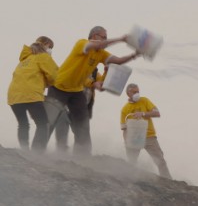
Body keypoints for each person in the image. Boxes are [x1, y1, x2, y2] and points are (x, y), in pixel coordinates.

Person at [47, 26, 140, 156]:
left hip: (76, 91)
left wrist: (135, 55)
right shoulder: (82, 43)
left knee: (83, 125)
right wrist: (121, 39)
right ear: (94, 36)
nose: (106, 40)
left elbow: (118, 61)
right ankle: (37, 151)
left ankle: (83, 157)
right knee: (49, 121)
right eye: (104, 37)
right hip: (58, 87)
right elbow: (99, 45)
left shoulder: (101, 54)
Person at [7, 36, 58, 153]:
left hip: (14, 96)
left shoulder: (24, 60)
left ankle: (24, 150)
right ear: (45, 44)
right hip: (31, 95)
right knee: (42, 123)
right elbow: (55, 75)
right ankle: (37, 152)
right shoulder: (43, 57)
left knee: (23, 124)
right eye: (50, 47)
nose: (50, 50)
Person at [120, 83, 172, 179]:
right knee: (132, 162)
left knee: (160, 161)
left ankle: (168, 180)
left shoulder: (144, 101)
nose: (137, 94)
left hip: (149, 137)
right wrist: (126, 142)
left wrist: (143, 113)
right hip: (134, 138)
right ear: (128, 93)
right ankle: (131, 179)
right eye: (134, 92)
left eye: (138, 91)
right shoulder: (125, 109)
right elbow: (124, 129)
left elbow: (157, 113)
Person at [54, 66, 107, 153]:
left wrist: (106, 72)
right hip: (68, 106)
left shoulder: (94, 73)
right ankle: (60, 152)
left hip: (83, 109)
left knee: (82, 134)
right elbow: (81, 79)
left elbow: (102, 83)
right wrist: (92, 83)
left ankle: (81, 155)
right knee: (62, 129)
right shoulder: (75, 67)